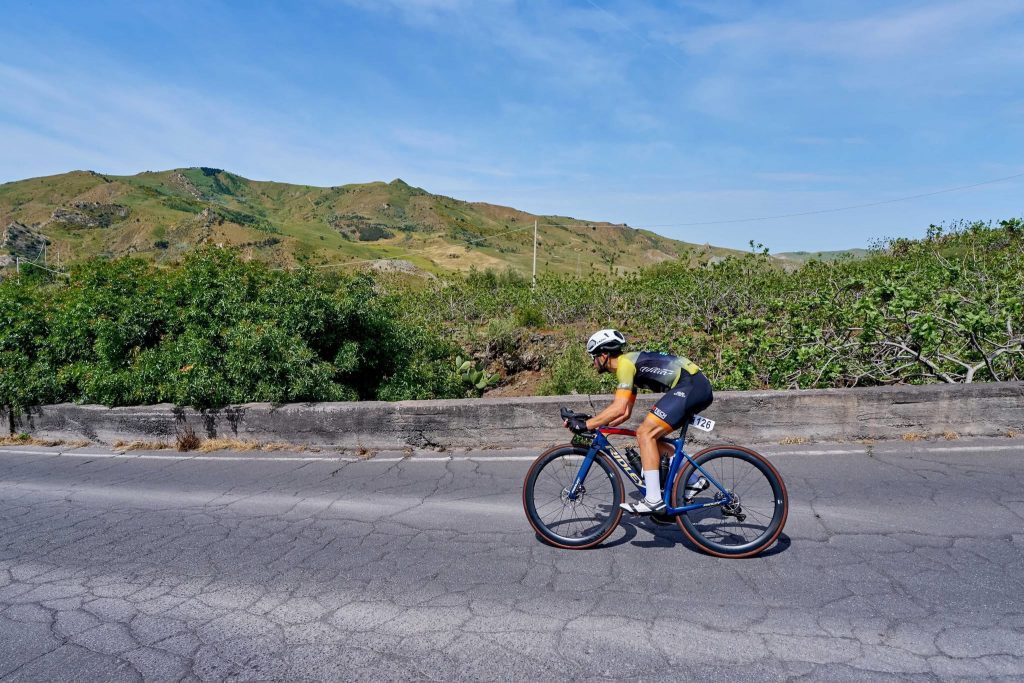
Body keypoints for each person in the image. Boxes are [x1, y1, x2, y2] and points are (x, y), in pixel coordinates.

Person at [563, 329, 714, 514]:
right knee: (652, 438)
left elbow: (618, 408)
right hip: (694, 386)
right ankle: (693, 481)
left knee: (645, 433)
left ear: (603, 355)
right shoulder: (630, 365)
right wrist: (596, 423)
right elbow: (625, 412)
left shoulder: (625, 365)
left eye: (593, 357)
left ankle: (653, 500)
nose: (592, 362)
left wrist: (586, 425)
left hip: (690, 386)